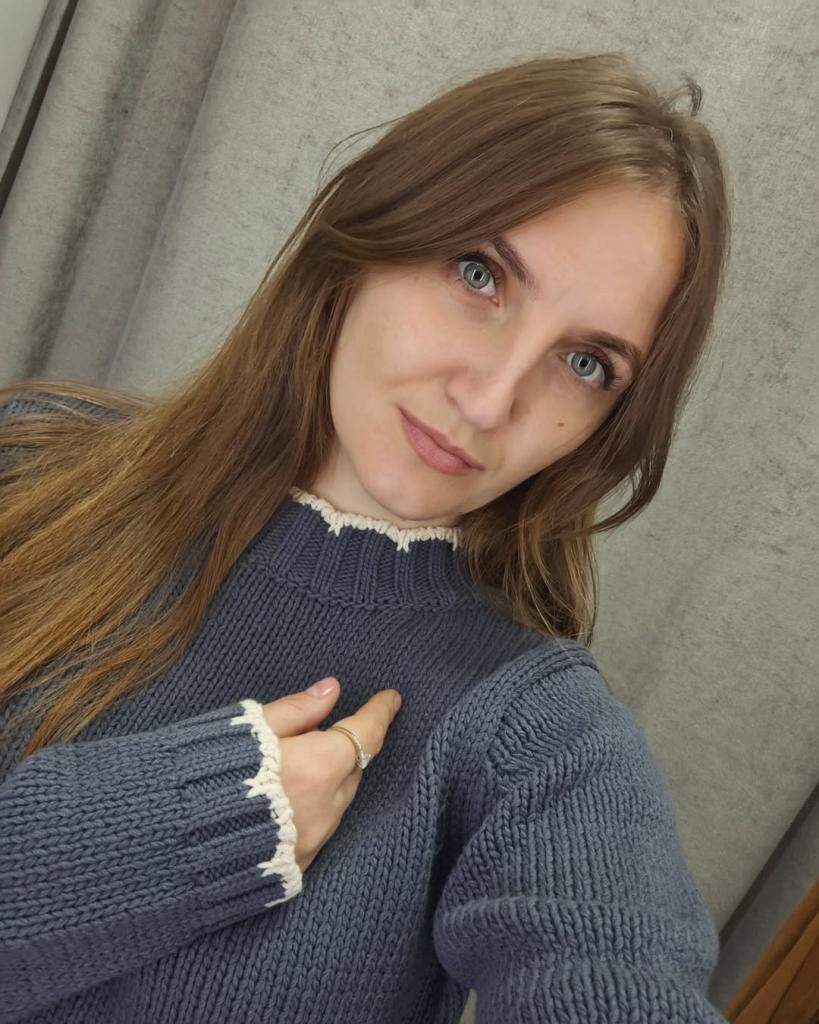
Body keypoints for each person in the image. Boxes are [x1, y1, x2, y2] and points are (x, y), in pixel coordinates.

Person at [0, 51, 731, 1023]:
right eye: (480, 274)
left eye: (587, 362)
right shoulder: (28, 465)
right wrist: (183, 824)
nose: (490, 398)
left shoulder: (541, 738)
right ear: (372, 235)